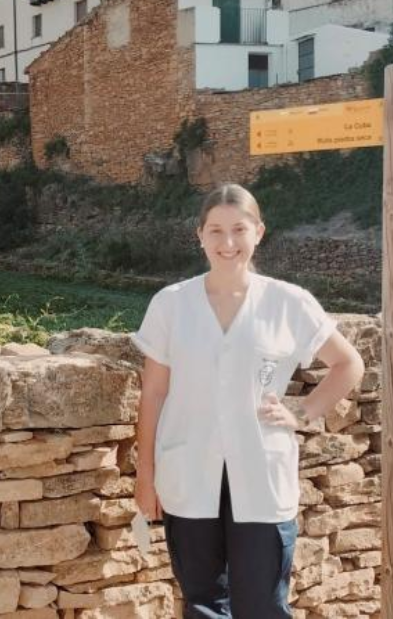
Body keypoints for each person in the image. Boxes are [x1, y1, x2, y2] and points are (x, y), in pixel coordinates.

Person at [131, 183, 365, 618]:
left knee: (262, 606)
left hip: (261, 471)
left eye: (239, 229)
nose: (228, 243)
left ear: (259, 232)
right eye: (216, 231)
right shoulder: (171, 304)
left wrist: (303, 411)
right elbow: (154, 393)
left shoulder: (287, 302)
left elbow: (349, 364)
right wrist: (145, 475)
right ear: (199, 235)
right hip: (189, 471)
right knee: (202, 605)